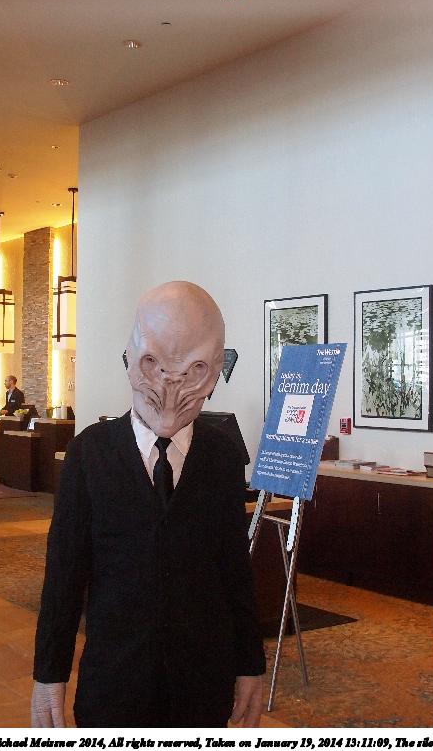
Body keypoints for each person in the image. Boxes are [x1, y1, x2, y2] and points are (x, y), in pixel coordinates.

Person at [31, 281, 265, 728]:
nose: (170, 388)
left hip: (201, 685)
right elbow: (64, 574)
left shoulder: (221, 457)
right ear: (130, 358)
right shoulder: (90, 454)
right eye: (153, 363)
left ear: (217, 370)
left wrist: (249, 663)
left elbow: (234, 569)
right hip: (114, 682)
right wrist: (49, 674)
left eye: (194, 370)